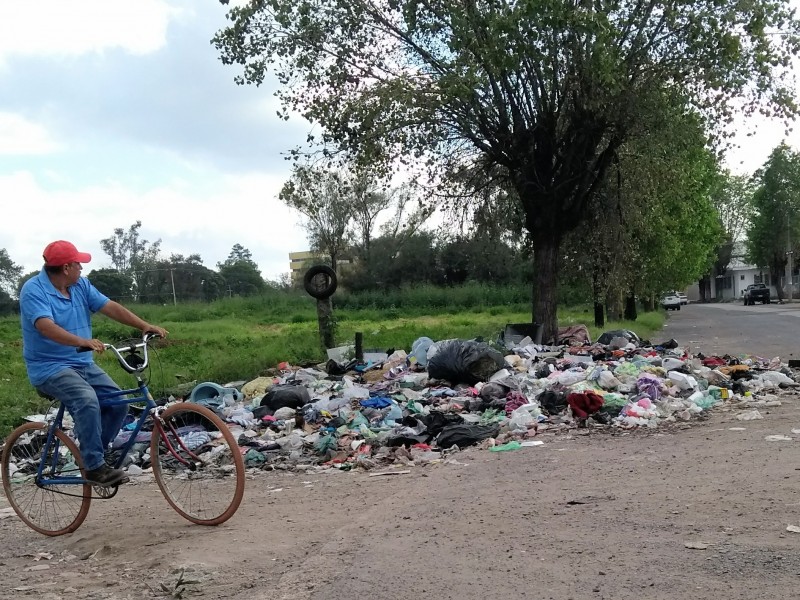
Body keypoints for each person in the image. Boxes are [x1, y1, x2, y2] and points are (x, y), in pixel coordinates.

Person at [19, 240, 168, 486]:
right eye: (78, 264)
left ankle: (94, 452)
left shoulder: (79, 285)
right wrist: (82, 341)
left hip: (82, 363)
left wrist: (143, 325)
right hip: (49, 367)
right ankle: (94, 467)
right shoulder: (34, 290)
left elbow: (109, 306)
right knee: (87, 401)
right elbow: (45, 326)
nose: (81, 268)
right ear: (66, 267)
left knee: (118, 403)